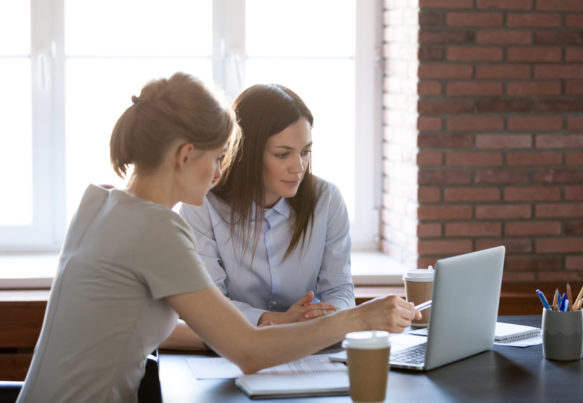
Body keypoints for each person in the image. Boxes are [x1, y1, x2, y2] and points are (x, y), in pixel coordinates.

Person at [17, 72, 420, 403]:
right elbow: (247, 351)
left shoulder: (100, 203)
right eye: (218, 158)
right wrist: (361, 317)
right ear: (185, 155)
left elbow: (132, 328)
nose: (219, 174)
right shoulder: (157, 229)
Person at [178, 83, 354, 329]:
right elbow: (208, 303)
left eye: (305, 152)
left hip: (310, 344)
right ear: (247, 152)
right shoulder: (202, 204)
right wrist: (277, 321)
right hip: (229, 346)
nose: (299, 167)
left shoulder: (327, 200)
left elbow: (340, 289)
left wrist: (327, 317)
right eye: (283, 154)